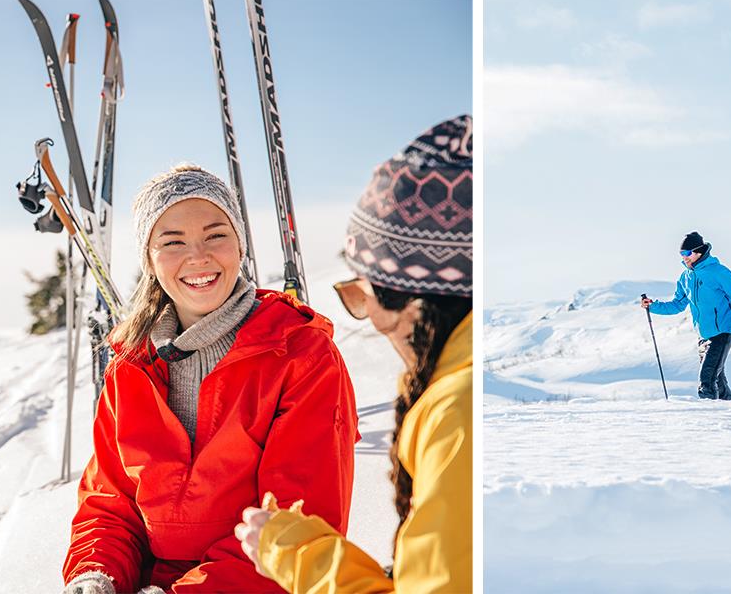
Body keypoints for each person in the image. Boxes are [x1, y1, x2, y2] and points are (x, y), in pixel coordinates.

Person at [61, 165, 360, 593]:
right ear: (149, 259)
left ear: (240, 242)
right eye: (172, 241)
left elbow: (297, 526)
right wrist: (96, 575)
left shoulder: (300, 355)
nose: (198, 256)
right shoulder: (130, 364)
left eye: (216, 234)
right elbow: (109, 503)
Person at [233, 115, 473, 592]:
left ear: (416, 302)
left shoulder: (457, 416)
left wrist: (303, 556)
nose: (369, 319)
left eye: (363, 295)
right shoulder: (456, 396)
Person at [640, 232, 731, 401]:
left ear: (698, 251)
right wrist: (653, 306)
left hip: (722, 333)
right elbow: (677, 305)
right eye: (681, 254)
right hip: (703, 337)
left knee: (706, 382)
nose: (684, 258)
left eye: (687, 253)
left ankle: (710, 421)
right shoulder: (685, 277)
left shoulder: (718, 272)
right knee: (719, 384)